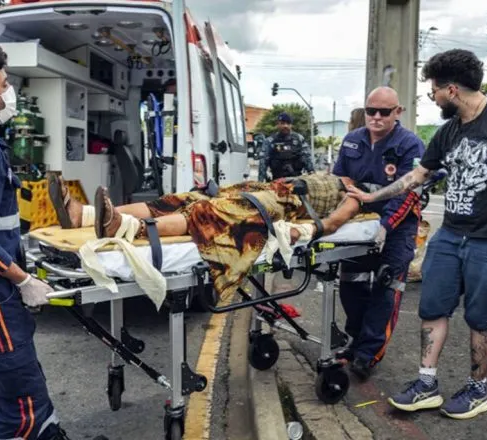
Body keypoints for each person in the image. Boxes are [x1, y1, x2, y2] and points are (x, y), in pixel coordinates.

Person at [348, 49, 487, 420]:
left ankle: (478, 390)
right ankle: (426, 383)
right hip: (450, 236)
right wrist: (373, 196)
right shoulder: (449, 131)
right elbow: (418, 176)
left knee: (482, 319)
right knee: (432, 309)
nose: (433, 98)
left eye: (433, 92)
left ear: (451, 89)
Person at [0, 41, 108, 440]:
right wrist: (21, 279)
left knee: (24, 382)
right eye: (4, 84)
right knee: (22, 401)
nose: (9, 92)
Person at [47, 171, 364, 301]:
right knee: (183, 199)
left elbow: (334, 223)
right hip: (269, 188)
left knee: (215, 213)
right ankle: (85, 215)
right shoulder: (332, 174)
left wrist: (306, 231)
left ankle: (127, 228)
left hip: (286, 205)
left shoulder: (355, 197)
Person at [332, 87, 425, 380]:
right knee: (351, 285)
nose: (376, 117)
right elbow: (340, 178)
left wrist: (385, 226)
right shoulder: (352, 140)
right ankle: (354, 339)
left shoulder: (410, 145)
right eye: (370, 110)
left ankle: (369, 353)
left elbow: (408, 193)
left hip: (397, 228)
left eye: (384, 112)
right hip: (359, 223)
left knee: (386, 289)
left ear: (398, 112)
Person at [258, 112, 315, 181]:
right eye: (282, 123)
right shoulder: (270, 141)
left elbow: (307, 157)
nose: (285, 126)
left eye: (288, 123)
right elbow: (263, 162)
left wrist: (312, 174)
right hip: (277, 180)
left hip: (297, 179)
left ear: (291, 125)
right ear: (278, 124)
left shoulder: (299, 138)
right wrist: (260, 181)